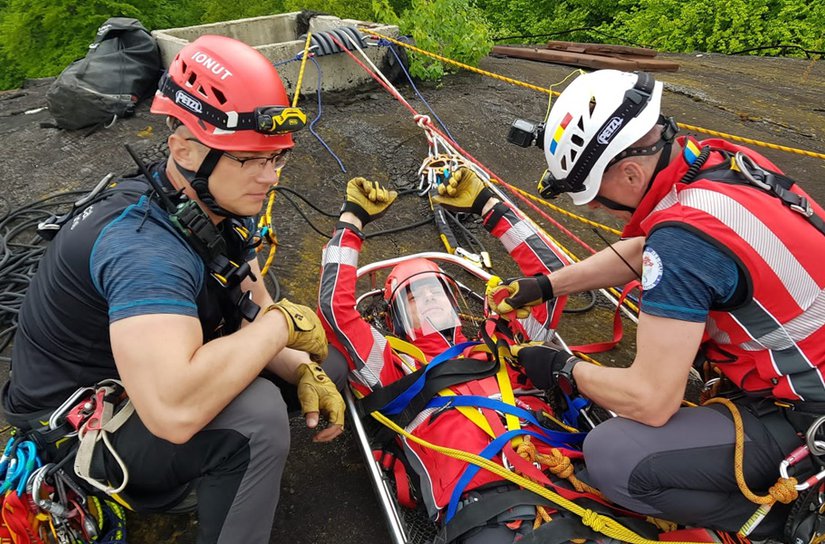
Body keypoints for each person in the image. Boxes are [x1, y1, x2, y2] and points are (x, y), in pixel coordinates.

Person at [2, 35, 346, 544]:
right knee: (255, 418)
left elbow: (254, 302)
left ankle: (215, 470)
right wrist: (278, 330)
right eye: (248, 159)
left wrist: (299, 364)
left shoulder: (210, 207)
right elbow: (174, 410)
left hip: (142, 374)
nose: (269, 177)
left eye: (276, 158)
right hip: (80, 426)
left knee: (323, 366)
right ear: (184, 148)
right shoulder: (144, 250)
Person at [487, 69, 825, 540]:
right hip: (811, 367)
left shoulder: (682, 243)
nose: (593, 210)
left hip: (807, 411)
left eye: (594, 198)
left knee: (616, 455)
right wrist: (545, 286)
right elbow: (650, 244)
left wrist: (564, 369)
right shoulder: (714, 164)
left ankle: (779, 523)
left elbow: (650, 400)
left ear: (629, 172)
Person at [317, 174, 629, 543]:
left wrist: (487, 206)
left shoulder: (504, 339)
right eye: (414, 298)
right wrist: (351, 220)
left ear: (455, 301)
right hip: (483, 509)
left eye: (437, 290)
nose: (430, 299)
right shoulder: (390, 365)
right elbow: (333, 308)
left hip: (572, 480)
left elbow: (554, 276)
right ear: (392, 319)